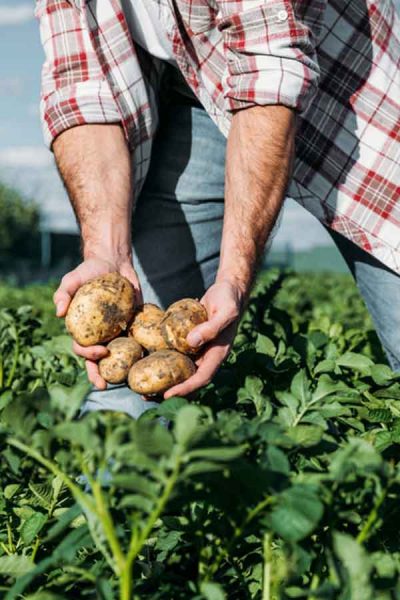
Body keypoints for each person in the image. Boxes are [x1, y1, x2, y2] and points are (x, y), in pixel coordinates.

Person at [36, 0, 400, 417]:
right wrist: (105, 251)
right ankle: (116, 476)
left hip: (349, 82)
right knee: (127, 383)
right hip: (190, 91)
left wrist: (235, 276)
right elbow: (81, 86)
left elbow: (268, 69)